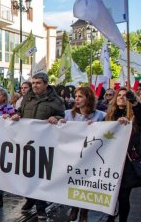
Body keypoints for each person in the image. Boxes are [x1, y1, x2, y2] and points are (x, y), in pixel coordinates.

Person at [11, 72, 65, 220]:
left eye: (38, 83)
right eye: (33, 83)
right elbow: (20, 112)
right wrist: (16, 115)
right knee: (27, 174)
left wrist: (58, 118)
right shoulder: (27, 98)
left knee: (40, 175)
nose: (35, 85)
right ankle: (31, 198)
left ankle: (40, 207)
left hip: (44, 144)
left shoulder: (55, 100)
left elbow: (63, 117)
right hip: (27, 142)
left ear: (46, 84)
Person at [60, 87, 105, 222]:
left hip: (90, 156)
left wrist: (97, 126)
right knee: (74, 182)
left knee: (86, 183)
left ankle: (84, 211)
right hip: (72, 155)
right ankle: (74, 207)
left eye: (80, 96)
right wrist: (59, 123)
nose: (77, 99)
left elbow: (107, 132)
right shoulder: (68, 114)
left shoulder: (100, 115)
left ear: (88, 98)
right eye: (76, 96)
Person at [105, 87, 141, 222]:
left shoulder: (135, 116)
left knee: (123, 195)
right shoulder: (110, 115)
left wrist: (134, 101)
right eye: (119, 95)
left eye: (124, 96)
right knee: (111, 194)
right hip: (111, 160)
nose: (121, 97)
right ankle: (110, 217)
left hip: (127, 162)